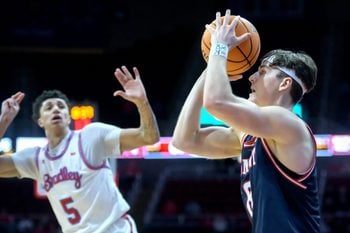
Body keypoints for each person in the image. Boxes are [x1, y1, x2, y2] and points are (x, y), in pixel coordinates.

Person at [172, 9, 320, 233]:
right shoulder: (250, 135)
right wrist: (208, 70)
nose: (252, 77)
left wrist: (220, 49)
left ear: (284, 84)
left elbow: (216, 102)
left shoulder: (290, 125)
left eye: (262, 72)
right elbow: (185, 140)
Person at [0, 66, 160, 233]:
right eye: (49, 108)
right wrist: (3, 120)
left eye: (61, 106)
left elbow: (149, 137)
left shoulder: (90, 137)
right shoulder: (36, 159)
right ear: (40, 121)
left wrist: (142, 103)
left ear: (69, 117)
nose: (56, 109)